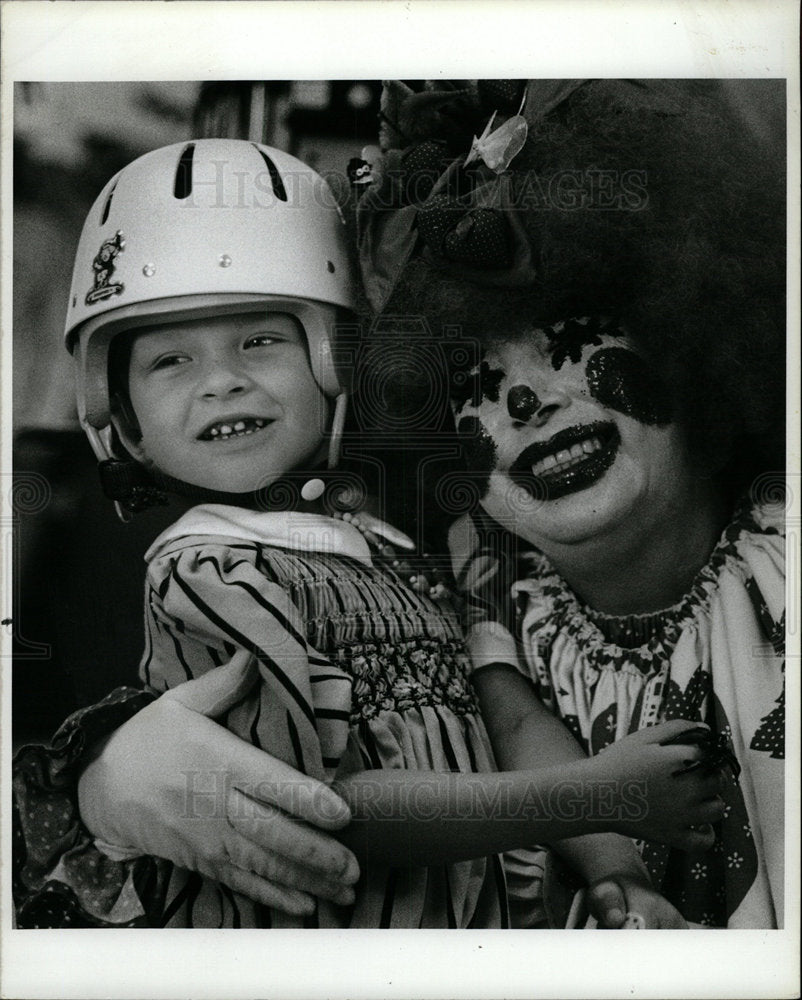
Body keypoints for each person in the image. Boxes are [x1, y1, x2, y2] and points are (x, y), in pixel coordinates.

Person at [12, 138, 725, 929]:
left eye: (259, 340)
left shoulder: (398, 554)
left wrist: (616, 868)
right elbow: (329, 809)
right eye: (170, 359)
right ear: (122, 419)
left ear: (334, 362)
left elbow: (512, 717)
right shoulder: (207, 575)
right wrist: (586, 795)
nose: (222, 379)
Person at [354, 78, 786, 928]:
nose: (528, 404)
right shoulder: (480, 624)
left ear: (688, 342)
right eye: (478, 382)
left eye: (565, 344)